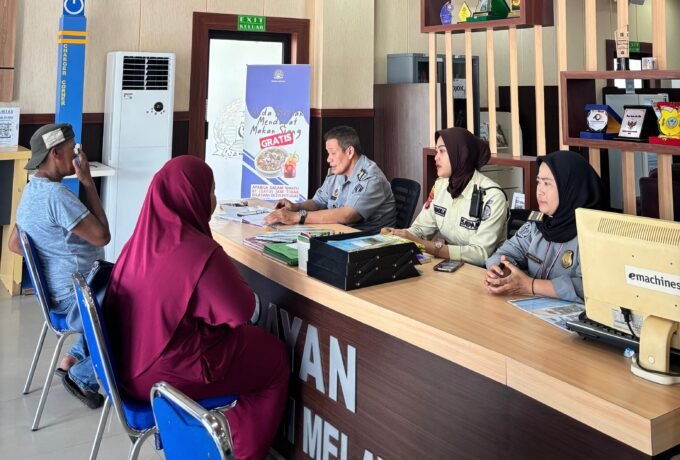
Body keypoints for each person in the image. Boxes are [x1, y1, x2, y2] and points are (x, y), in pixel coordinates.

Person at [104, 156, 289, 460]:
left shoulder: (136, 242)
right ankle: (240, 453)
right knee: (273, 357)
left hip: (123, 368)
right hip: (161, 376)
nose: (214, 199)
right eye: (212, 191)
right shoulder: (199, 252)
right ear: (196, 196)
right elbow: (241, 311)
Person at [8, 123, 110, 408]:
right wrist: (87, 182)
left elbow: (14, 243)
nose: (77, 155)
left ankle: (72, 358)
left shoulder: (32, 191)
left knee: (120, 286)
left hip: (58, 293)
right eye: (72, 149)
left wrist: (51, 260)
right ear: (55, 153)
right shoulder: (57, 196)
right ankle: (82, 376)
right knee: (135, 307)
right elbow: (103, 235)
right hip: (75, 296)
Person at [484, 150, 604, 302]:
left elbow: (591, 287)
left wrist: (530, 286)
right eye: (539, 182)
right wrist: (501, 270)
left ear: (571, 187)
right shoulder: (540, 223)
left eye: (547, 183)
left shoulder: (596, 232)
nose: (539, 191)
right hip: (532, 307)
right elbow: (504, 253)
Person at [382, 127, 508, 267]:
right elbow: (420, 230)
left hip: (484, 272)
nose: (436, 157)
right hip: (453, 266)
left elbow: (480, 254)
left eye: (442, 151)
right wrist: (396, 235)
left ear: (460, 154)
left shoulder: (493, 196)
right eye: (436, 151)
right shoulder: (441, 185)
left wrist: (428, 246)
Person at [265, 125, 396, 232]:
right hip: (340, 233)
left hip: (369, 241)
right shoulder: (338, 172)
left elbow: (348, 215)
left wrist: (298, 216)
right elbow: (318, 202)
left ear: (349, 152)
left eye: (333, 153)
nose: (328, 159)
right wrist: (296, 207)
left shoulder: (371, 178)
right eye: (328, 153)